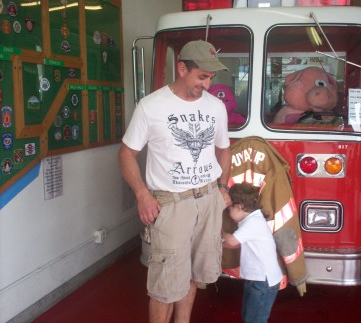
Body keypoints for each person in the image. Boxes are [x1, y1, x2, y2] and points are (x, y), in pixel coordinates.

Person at [118, 40, 232, 323]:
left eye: (210, 78)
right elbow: (126, 154)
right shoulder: (151, 106)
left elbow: (224, 148)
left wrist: (223, 188)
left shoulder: (216, 107)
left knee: (193, 274)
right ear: (182, 69)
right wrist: (142, 194)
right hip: (172, 205)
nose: (206, 84)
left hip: (208, 200)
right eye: (201, 76)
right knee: (165, 286)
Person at [222, 182, 283, 323]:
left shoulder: (253, 222)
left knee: (255, 319)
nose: (228, 213)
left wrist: (217, 231)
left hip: (263, 281)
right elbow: (234, 245)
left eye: (229, 209)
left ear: (239, 206)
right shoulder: (251, 220)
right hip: (258, 279)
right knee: (249, 316)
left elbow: (232, 241)